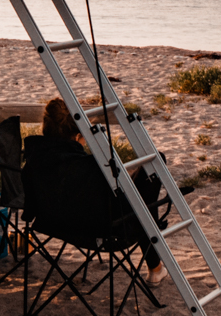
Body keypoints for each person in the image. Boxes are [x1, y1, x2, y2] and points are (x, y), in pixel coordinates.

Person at [25, 98, 166, 285]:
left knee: (139, 201)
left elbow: (30, 204)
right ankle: (155, 266)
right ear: (77, 136)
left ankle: (155, 266)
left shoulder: (34, 161)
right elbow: (118, 205)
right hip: (102, 231)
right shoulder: (90, 168)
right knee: (152, 176)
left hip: (51, 223)